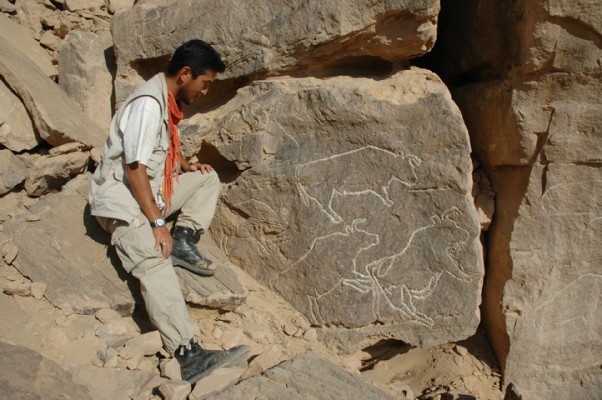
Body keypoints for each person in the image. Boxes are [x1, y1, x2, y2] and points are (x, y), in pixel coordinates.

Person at [89, 39, 249, 384]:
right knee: (154, 260)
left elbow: (158, 150)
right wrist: (158, 224)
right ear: (186, 73)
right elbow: (134, 168)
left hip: (149, 192)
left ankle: (184, 241)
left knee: (207, 180)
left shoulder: (165, 102)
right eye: (205, 83)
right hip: (121, 200)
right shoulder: (148, 105)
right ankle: (188, 353)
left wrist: (186, 165)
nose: (205, 91)